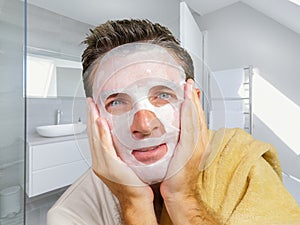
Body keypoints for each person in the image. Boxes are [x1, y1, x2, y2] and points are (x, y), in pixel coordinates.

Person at [48, 19, 300, 225]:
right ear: (94, 118)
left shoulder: (242, 164)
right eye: (116, 102)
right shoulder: (71, 215)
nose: (145, 125)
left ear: (194, 105)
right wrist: (133, 204)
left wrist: (182, 196)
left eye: (162, 95)